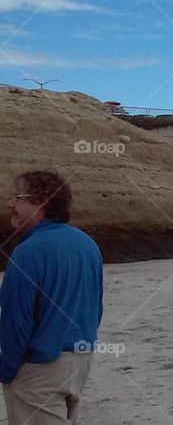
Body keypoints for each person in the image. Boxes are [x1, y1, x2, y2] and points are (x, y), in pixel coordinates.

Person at [1, 170, 103, 425]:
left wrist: (7, 370)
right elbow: (96, 307)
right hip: (80, 361)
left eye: (17, 197)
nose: (10, 204)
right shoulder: (87, 244)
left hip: (39, 368)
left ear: (41, 202)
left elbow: (16, 321)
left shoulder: (28, 251)